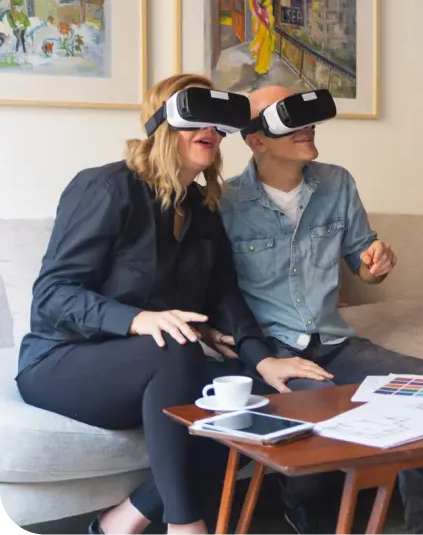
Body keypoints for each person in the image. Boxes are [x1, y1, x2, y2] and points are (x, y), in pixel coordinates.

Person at [15, 74, 326, 535]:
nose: (211, 131)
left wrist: (263, 362)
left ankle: (126, 518)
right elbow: (54, 295)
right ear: (164, 120)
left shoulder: (201, 208)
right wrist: (139, 319)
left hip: (156, 367)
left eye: (220, 124)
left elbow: (224, 294)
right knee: (175, 345)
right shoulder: (106, 187)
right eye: (195, 116)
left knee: (280, 398)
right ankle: (185, 525)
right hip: (63, 362)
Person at [218, 85, 423, 535]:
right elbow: (216, 293)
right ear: (257, 139)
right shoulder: (225, 203)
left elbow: (364, 266)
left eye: (306, 116)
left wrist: (376, 264)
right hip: (271, 349)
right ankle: (307, 516)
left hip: (334, 341)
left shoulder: (337, 182)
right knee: (311, 398)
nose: (306, 126)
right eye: (288, 118)